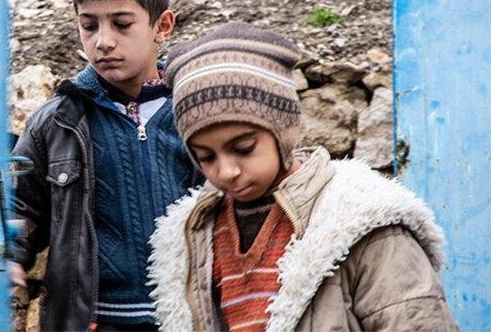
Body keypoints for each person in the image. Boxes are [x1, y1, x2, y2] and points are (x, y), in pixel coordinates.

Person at [147, 22, 458, 331]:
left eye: (244, 148)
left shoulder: (361, 219)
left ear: (282, 131)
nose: (226, 171)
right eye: (206, 156)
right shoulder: (195, 233)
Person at [10, 0, 197, 331]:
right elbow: (21, 207)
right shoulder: (58, 122)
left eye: (122, 24)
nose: (103, 41)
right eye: (89, 26)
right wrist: (9, 261)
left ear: (162, 26)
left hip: (188, 316)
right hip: (95, 321)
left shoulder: (193, 111)